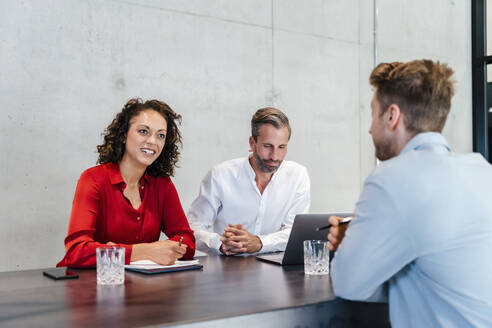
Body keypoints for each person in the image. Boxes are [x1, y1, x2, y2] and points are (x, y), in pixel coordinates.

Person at [328, 60, 492, 327]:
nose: (370, 128)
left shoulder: (390, 178)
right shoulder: (482, 170)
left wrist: (351, 246)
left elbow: (347, 283)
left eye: (373, 114)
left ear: (392, 116)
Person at [57, 99, 195, 268]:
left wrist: (114, 250)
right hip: (89, 285)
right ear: (123, 135)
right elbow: (76, 252)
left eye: (161, 135)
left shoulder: (162, 184)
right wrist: (146, 251)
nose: (153, 141)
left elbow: (187, 241)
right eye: (143, 131)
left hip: (140, 286)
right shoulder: (93, 179)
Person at [188, 107, 310, 255]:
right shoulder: (220, 175)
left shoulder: (298, 175)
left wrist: (259, 243)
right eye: (267, 146)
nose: (275, 156)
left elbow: (294, 232)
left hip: (276, 270)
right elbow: (192, 226)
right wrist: (220, 244)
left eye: (282, 147)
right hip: (227, 269)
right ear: (252, 143)